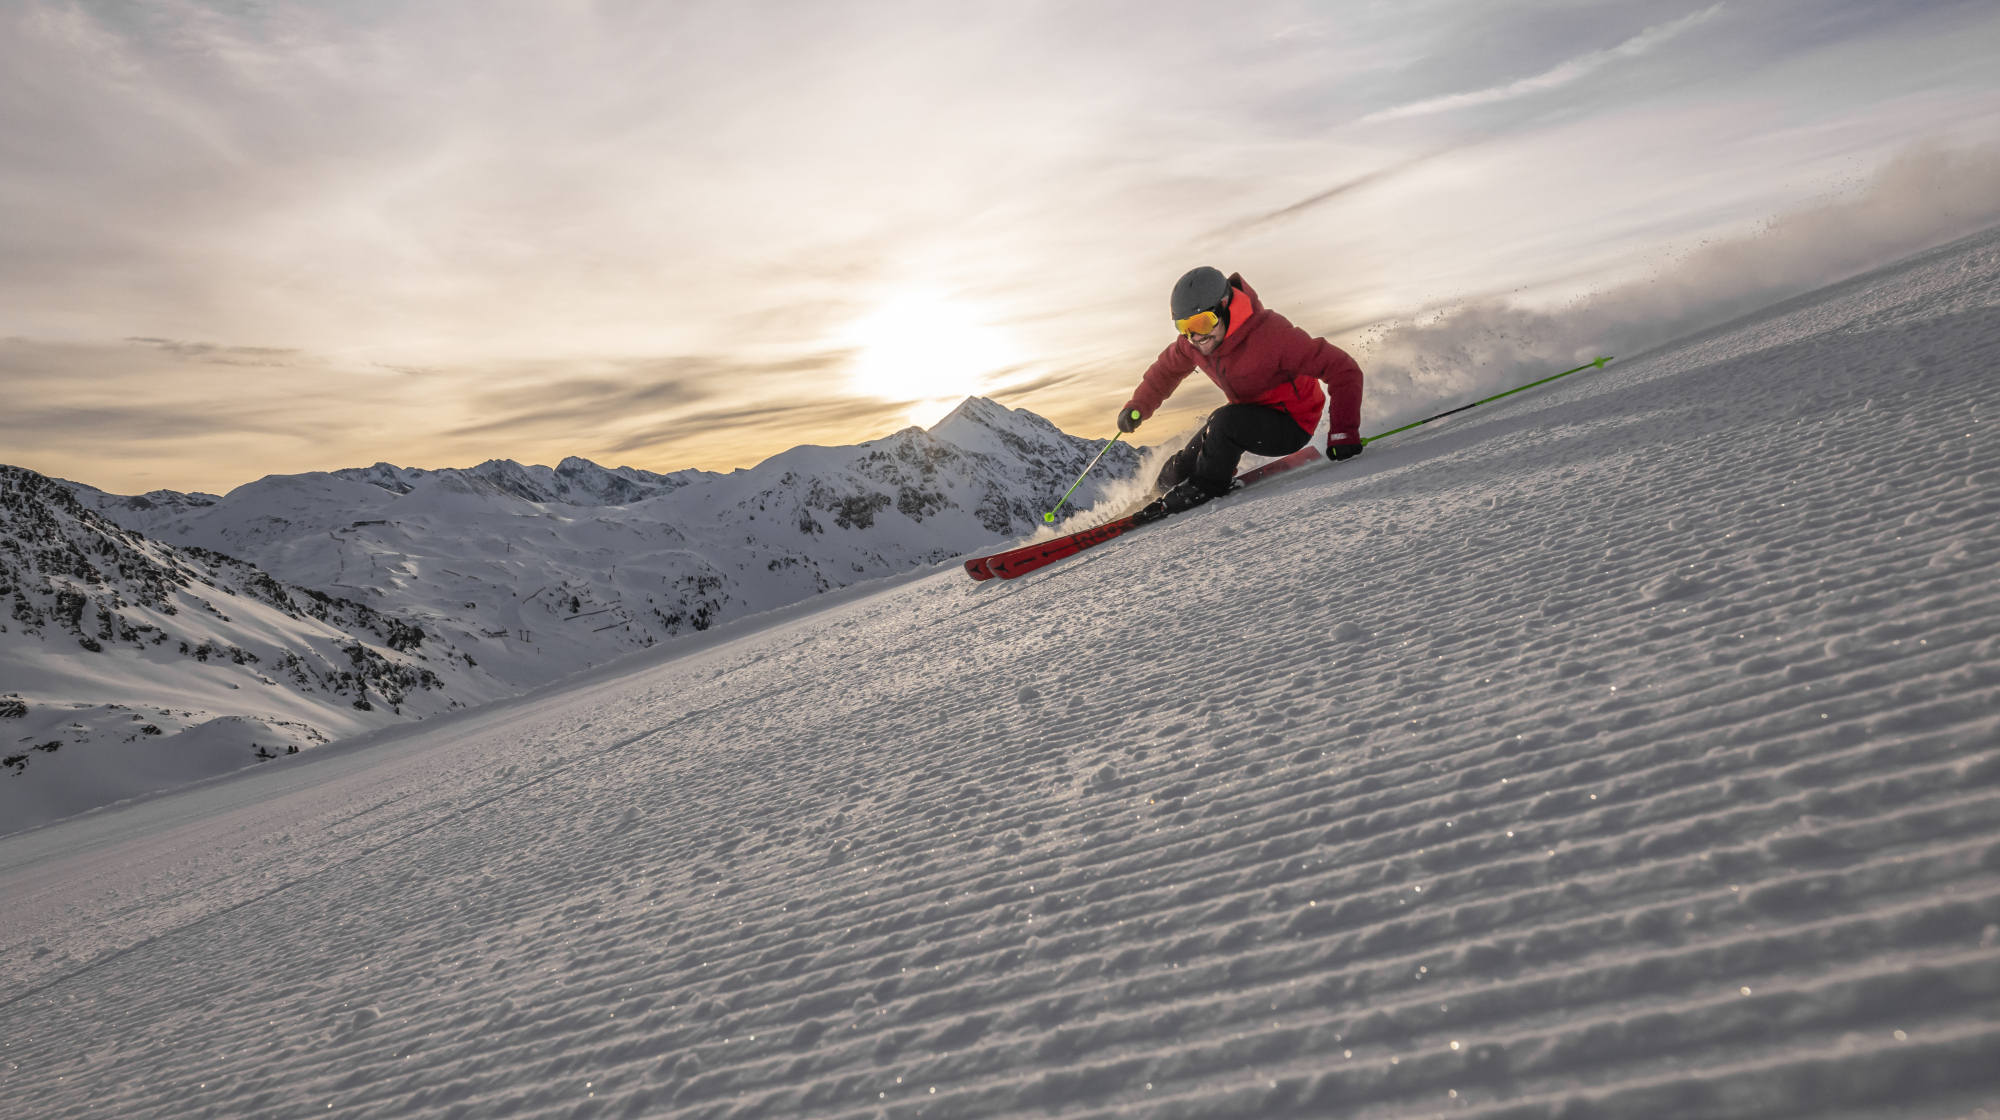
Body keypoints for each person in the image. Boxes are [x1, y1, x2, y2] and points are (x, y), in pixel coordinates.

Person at [1118, 266, 1364, 516]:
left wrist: (1344, 431)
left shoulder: (1272, 335)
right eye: (1184, 327)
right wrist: (1136, 407)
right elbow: (1165, 372)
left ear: (1224, 307)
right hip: (1246, 417)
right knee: (1185, 461)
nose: (1195, 336)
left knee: (1223, 423)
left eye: (1202, 322)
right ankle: (1156, 495)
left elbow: (1343, 369)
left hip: (1292, 425)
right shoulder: (1195, 342)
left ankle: (1207, 486)